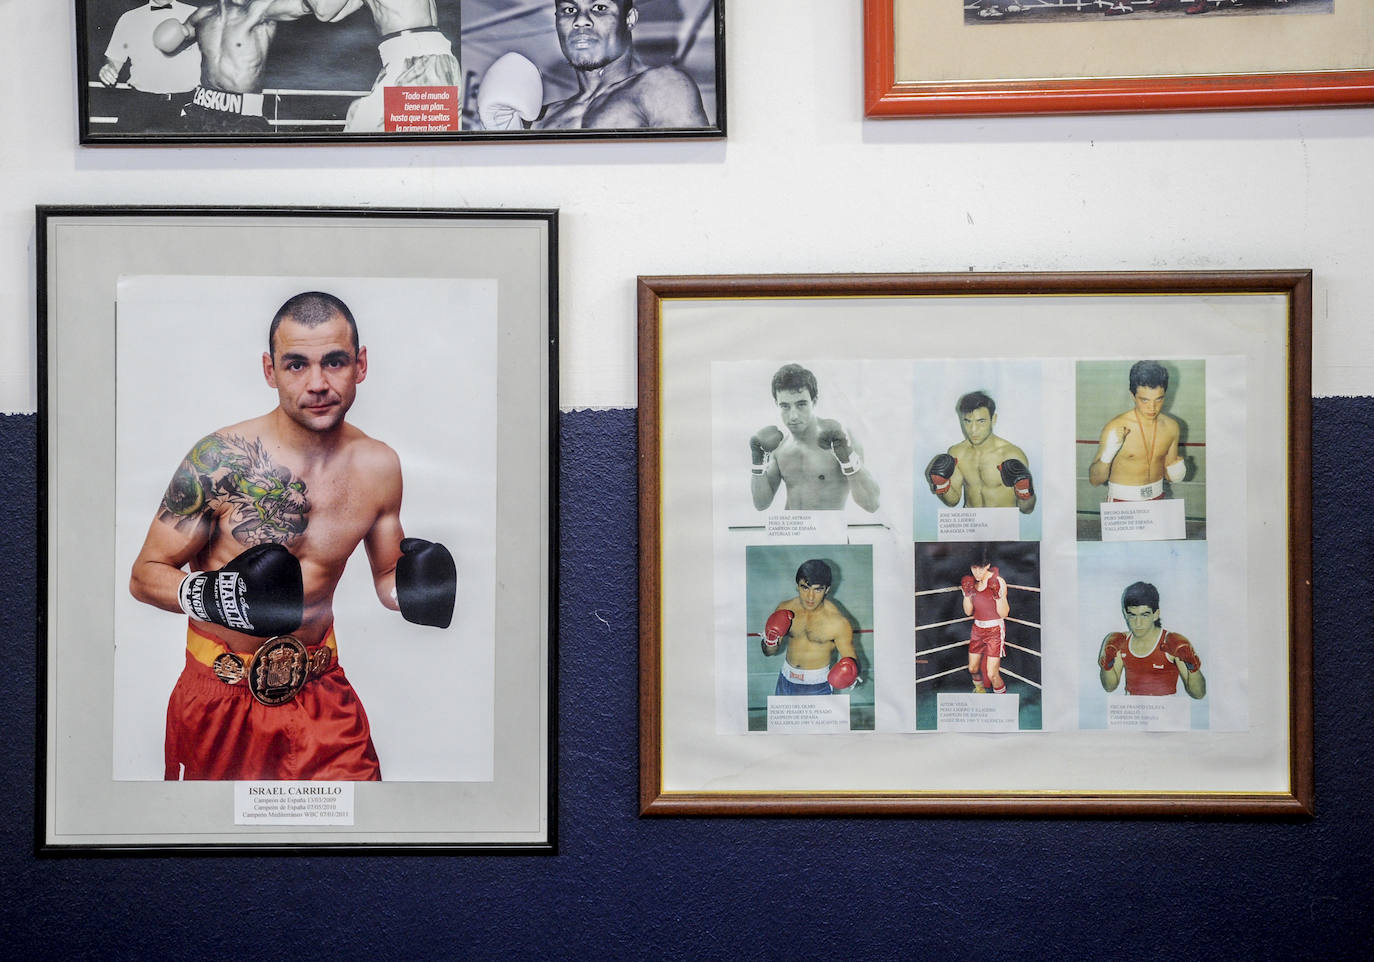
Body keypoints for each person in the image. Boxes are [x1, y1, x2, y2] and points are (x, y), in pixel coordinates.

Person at [129, 291, 457, 780]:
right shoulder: (220, 460)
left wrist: (416, 590)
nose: (318, 383)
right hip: (223, 697)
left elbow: (387, 578)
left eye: (335, 362)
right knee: (219, 854)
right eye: (297, 365)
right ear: (270, 370)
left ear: (360, 365)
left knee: (358, 845)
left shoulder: (379, 466)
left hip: (321, 692)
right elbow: (144, 576)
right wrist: (214, 596)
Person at [476, 0, 709, 131]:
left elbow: (688, 182)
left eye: (599, 8)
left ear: (629, 19)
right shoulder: (540, 118)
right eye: (569, 10)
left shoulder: (661, 86)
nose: (580, 20)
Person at [292, 0, 463, 132]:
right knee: (414, 148)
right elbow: (334, 13)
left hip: (415, 60)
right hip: (433, 59)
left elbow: (323, 11)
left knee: (362, 138)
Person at [152, 0, 303, 133]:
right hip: (202, 106)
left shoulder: (258, 9)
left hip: (242, 113)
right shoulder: (203, 14)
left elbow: (300, 6)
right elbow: (181, 34)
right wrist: (179, 32)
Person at [748, 363, 880, 513]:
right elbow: (761, 503)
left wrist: (849, 459)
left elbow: (872, 505)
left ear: (814, 401)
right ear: (776, 404)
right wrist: (757, 461)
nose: (793, 416)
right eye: (785, 406)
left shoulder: (839, 438)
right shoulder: (779, 448)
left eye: (801, 404)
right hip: (792, 534)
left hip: (829, 535)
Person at [1087, 361, 1186, 503]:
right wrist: (1109, 453)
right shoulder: (1116, 427)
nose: (1152, 408)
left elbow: (1171, 475)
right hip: (1122, 501)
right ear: (1133, 396)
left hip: (1158, 497)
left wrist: (1177, 472)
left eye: (1159, 399)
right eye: (1144, 400)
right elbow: (1095, 480)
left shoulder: (1172, 427)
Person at [759, 560, 861, 697]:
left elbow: (852, 663)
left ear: (827, 589)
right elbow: (768, 652)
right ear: (797, 586)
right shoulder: (785, 609)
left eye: (818, 589)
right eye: (805, 588)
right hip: (785, 680)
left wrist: (848, 674)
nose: (810, 597)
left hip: (817, 687)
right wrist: (770, 641)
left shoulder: (838, 623)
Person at [97, 0, 203, 132]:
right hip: (140, 104)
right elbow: (114, 60)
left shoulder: (197, 15)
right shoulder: (129, 18)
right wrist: (108, 68)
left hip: (184, 103)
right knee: (124, 149)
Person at [925, 390, 1036, 515]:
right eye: (967, 421)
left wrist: (1024, 491)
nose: (973, 430)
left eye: (981, 421)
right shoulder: (957, 453)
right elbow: (953, 501)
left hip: (1002, 525)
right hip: (971, 524)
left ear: (993, 419)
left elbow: (1027, 509)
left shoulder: (1012, 454)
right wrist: (942, 485)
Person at [1097, 582, 1206, 698]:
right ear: (1125, 613)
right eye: (1133, 615)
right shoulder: (1119, 641)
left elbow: (1199, 694)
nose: (1138, 623)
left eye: (1144, 615)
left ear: (1156, 614)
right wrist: (1107, 664)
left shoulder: (1172, 642)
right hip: (1134, 712)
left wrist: (1192, 666)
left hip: (1166, 712)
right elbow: (1109, 687)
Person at [960, 549, 1009, 695]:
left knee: (992, 674)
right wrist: (967, 594)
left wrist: (997, 595)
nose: (977, 572)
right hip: (977, 629)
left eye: (980, 568)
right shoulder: (971, 583)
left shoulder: (998, 581)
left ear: (987, 565)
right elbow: (968, 612)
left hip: (994, 630)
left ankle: (1002, 703)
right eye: (974, 568)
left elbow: (1004, 614)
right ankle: (980, 691)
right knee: (973, 669)